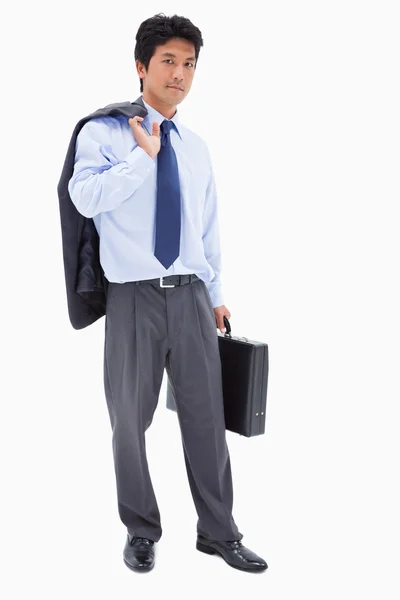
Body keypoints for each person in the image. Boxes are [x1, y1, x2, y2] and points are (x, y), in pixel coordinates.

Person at [68, 12, 268, 574]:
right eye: (168, 62)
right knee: (130, 420)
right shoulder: (103, 132)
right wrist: (141, 158)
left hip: (190, 297)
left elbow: (206, 228)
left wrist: (216, 291)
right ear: (141, 67)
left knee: (206, 416)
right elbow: (84, 198)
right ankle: (141, 529)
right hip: (132, 299)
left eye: (189, 65)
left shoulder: (198, 147)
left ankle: (219, 532)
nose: (179, 74)